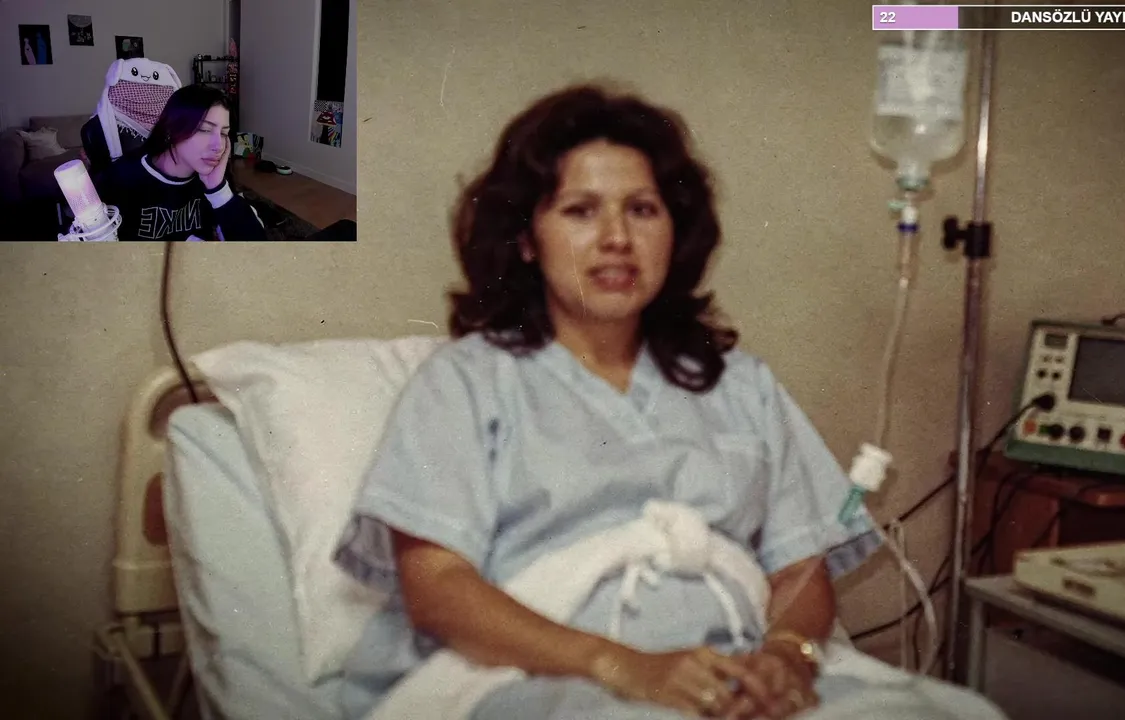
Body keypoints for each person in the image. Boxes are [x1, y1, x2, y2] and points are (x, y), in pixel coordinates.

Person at [333, 83, 1007, 720]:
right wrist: (623, 666)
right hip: (540, 677)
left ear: (675, 232)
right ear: (526, 239)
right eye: (580, 210)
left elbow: (800, 569)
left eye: (642, 209)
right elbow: (437, 588)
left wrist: (786, 659)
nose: (617, 238)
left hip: (732, 674)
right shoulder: (466, 382)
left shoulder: (740, 385)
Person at [91, 84, 266, 241]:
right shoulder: (120, 179)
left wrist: (218, 190)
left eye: (223, 133)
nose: (218, 145)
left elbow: (255, 249)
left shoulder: (214, 179)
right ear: (171, 129)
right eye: (205, 130)